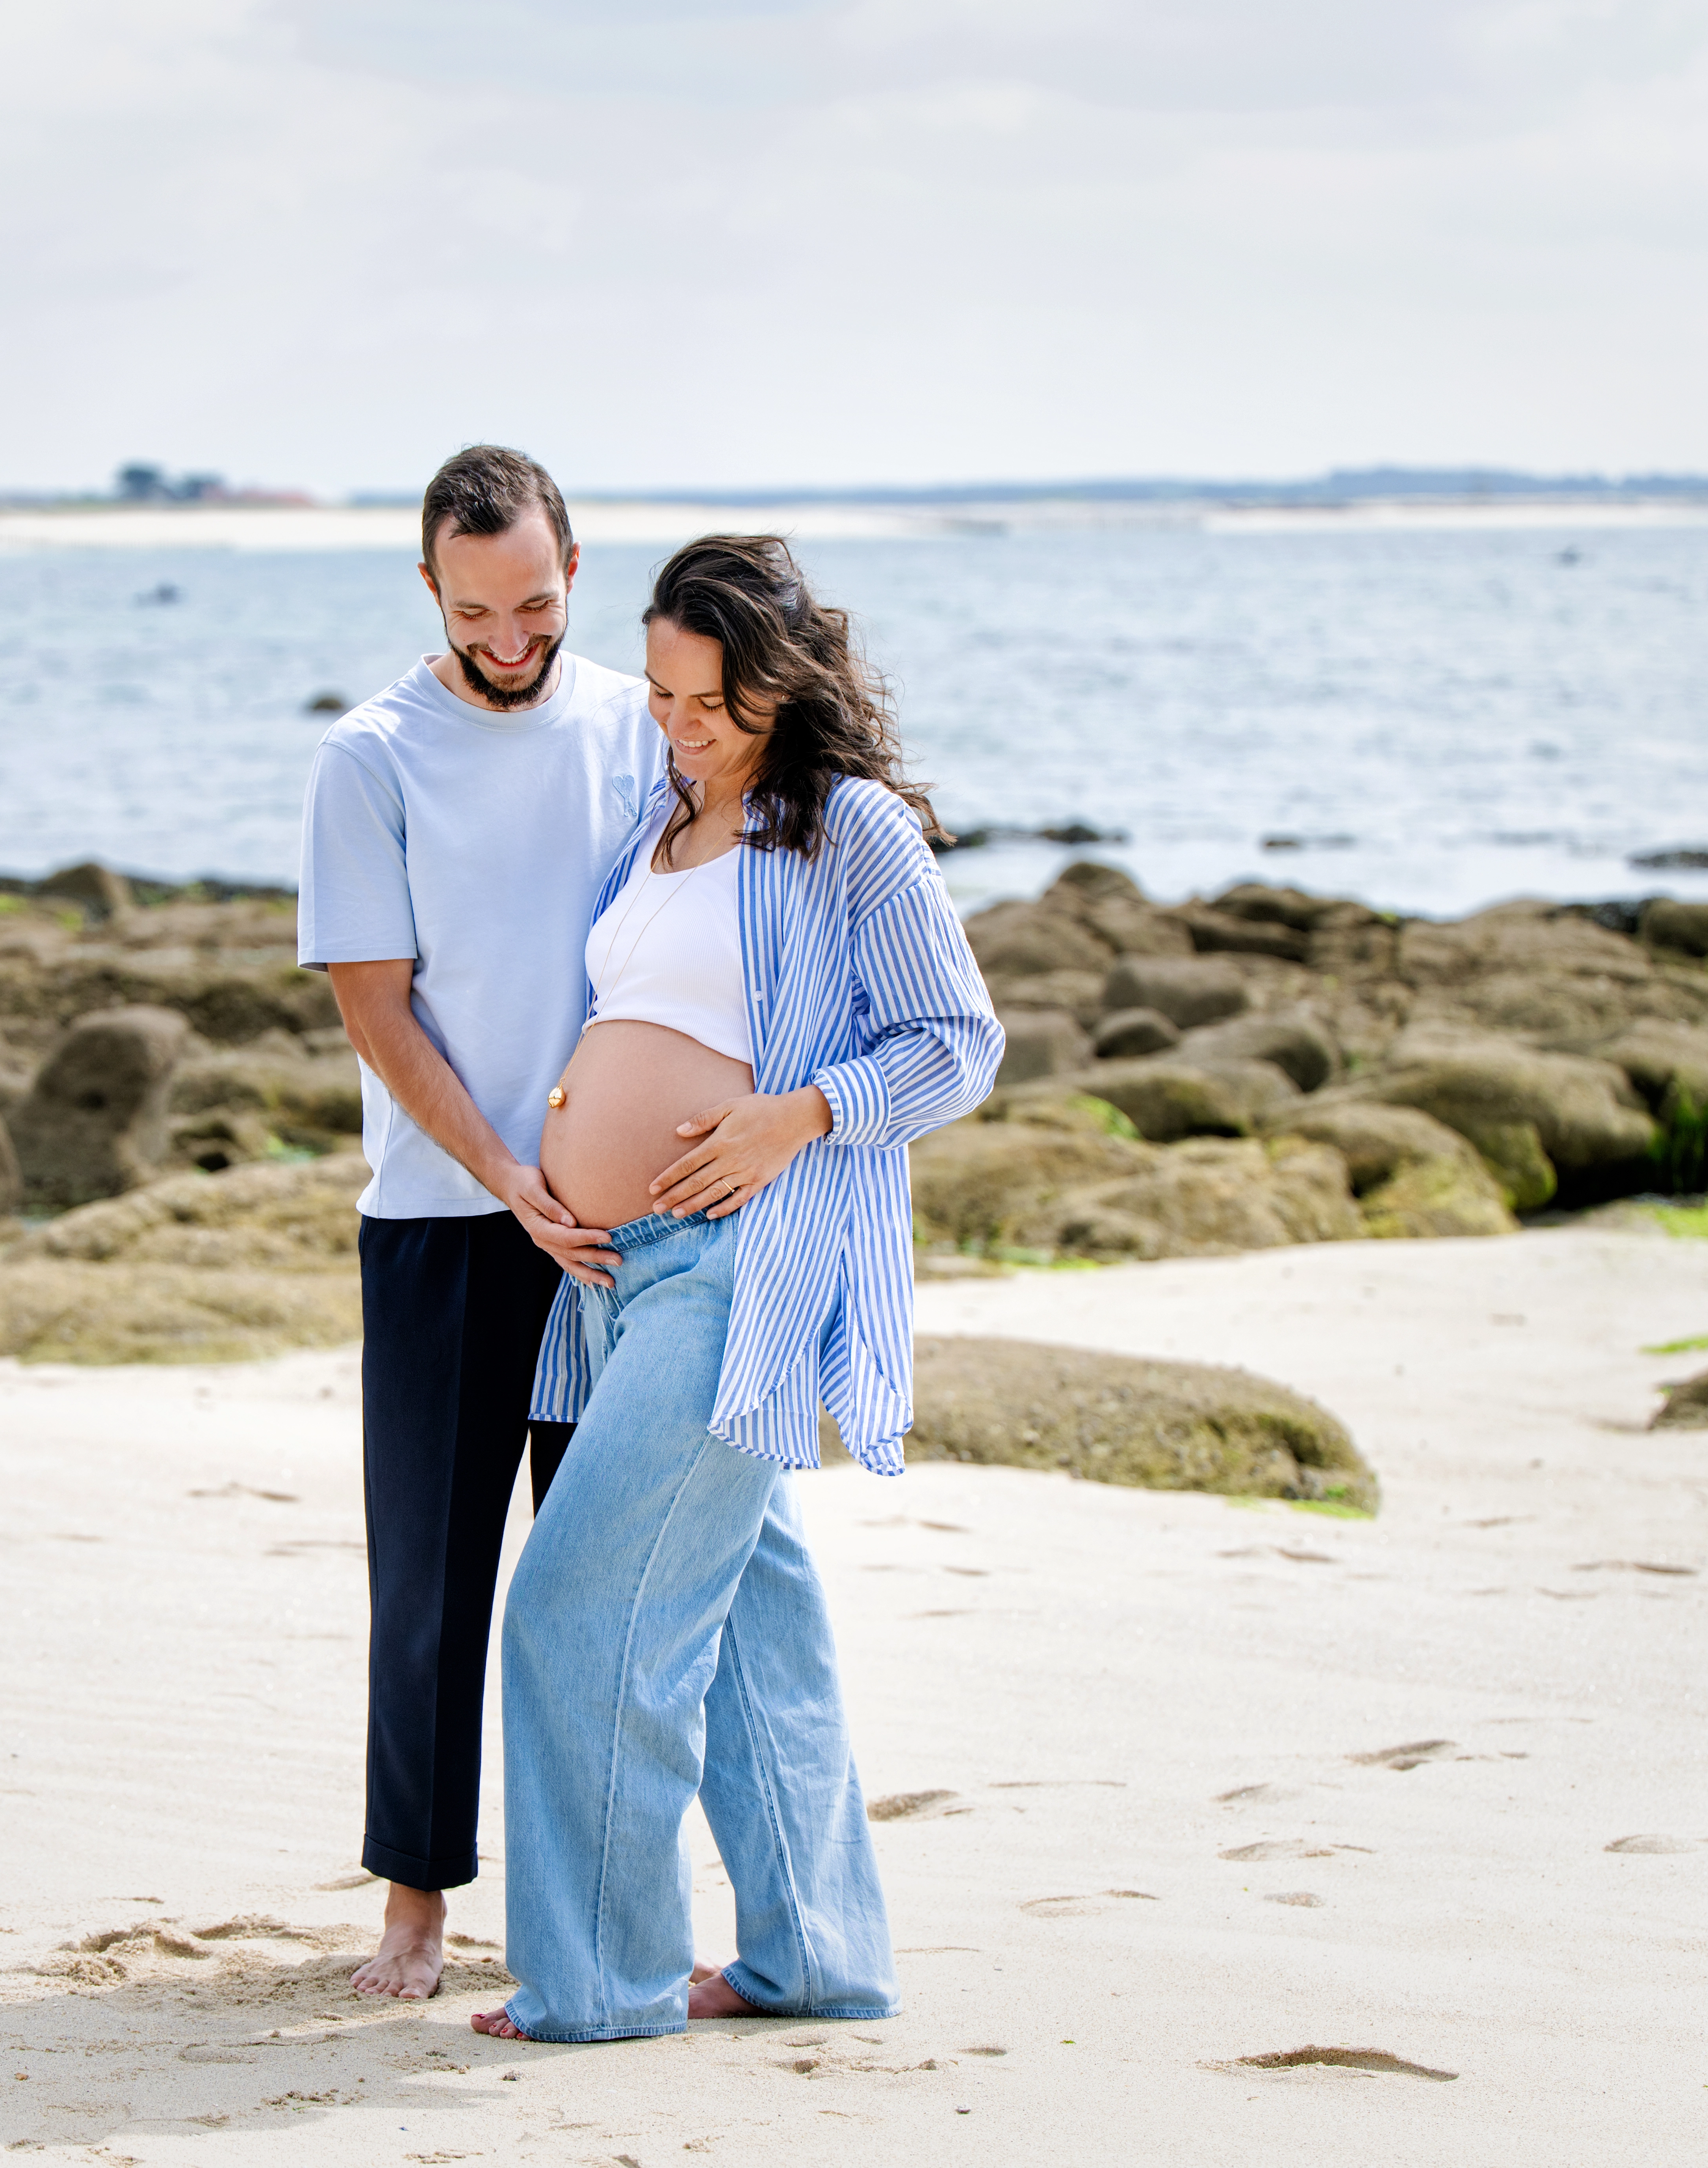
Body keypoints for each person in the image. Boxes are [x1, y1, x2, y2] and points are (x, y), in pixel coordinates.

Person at [469, 535, 1001, 2044]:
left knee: (580, 1606)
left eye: (709, 704)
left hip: (743, 1272)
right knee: (753, 1629)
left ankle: (603, 1984)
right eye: (659, 695)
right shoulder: (661, 815)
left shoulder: (850, 832)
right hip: (627, 1278)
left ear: (778, 688)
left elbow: (958, 1044)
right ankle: (818, 1956)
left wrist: (802, 1113)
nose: (678, 725)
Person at [296, 444, 664, 2000]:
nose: (509, 642)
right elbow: (374, 1007)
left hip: (616, 1232)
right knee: (433, 1581)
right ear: (428, 593)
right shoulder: (370, 758)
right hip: (447, 1217)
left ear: (574, 569)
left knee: (604, 1581)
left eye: (534, 607)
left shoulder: (646, 730)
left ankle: (599, 1902)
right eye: (474, 615)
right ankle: (416, 1905)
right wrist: (506, 1170)